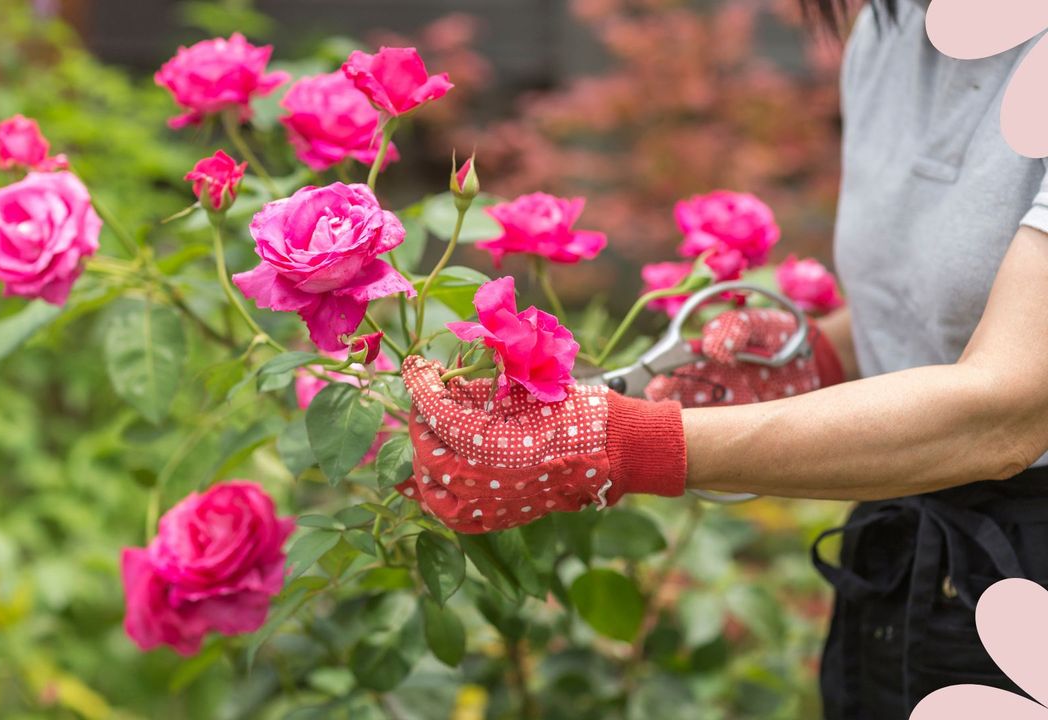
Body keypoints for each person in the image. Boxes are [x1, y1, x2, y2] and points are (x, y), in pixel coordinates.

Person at [395, 0, 1048, 717]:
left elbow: (1007, 412)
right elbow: (936, 311)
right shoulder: (894, 30)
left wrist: (616, 443)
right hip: (904, 560)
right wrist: (811, 354)